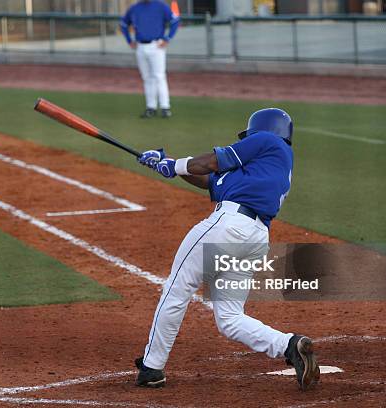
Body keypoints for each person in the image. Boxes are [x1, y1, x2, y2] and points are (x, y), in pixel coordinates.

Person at [134, 108, 320, 390]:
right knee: (230, 318)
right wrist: (167, 164)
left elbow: (211, 162)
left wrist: (174, 165)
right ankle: (290, 345)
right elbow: (209, 180)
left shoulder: (269, 142)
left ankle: (152, 367)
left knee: (177, 288)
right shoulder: (262, 170)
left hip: (228, 228)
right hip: (254, 239)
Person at [120, 1, 180, 119]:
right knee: (147, 77)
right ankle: (151, 107)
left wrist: (168, 38)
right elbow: (123, 24)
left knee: (159, 76)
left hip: (156, 45)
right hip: (140, 46)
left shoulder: (161, 6)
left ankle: (165, 107)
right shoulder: (135, 8)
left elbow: (175, 20)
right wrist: (129, 40)